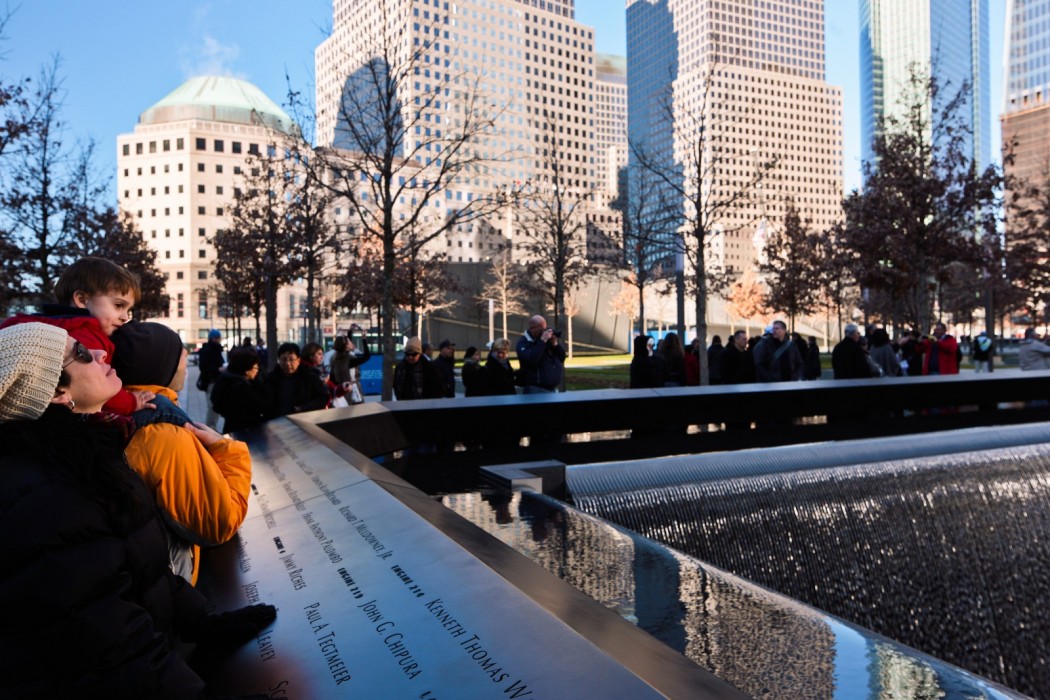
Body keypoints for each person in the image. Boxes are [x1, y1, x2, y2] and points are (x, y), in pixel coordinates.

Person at [0, 322, 275, 697]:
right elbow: (109, 646)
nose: (100, 353)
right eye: (80, 353)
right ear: (57, 393)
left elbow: (143, 565)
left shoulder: (88, 450)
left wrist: (202, 624)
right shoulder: (46, 497)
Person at [111, 321, 253, 586]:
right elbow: (219, 523)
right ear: (161, 366)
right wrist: (228, 451)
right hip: (167, 588)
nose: (186, 366)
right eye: (182, 357)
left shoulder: (121, 410)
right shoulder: (163, 434)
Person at [0, 256, 154, 416]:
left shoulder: (45, 326)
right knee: (161, 407)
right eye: (118, 305)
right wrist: (132, 402)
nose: (125, 316)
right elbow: (95, 388)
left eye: (128, 310)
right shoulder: (84, 334)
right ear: (82, 300)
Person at [211, 346, 271, 433]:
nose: (257, 370)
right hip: (245, 431)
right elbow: (262, 406)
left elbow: (216, 404)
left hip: (230, 427)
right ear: (247, 369)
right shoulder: (241, 387)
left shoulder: (227, 378)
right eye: (255, 367)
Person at [265, 342, 330, 418]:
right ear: (279, 360)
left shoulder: (310, 377)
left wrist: (303, 408)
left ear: (298, 360)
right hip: (276, 421)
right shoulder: (271, 379)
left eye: (291, 359)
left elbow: (323, 398)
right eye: (284, 359)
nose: (287, 363)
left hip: (304, 419)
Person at [515, 315, 566, 393]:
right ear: (533, 328)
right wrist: (542, 341)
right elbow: (532, 360)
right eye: (541, 329)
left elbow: (562, 358)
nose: (543, 332)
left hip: (552, 388)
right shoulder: (524, 342)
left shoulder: (545, 341)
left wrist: (555, 344)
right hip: (535, 388)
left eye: (544, 329)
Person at [393, 336, 444, 400]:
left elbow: (438, 388)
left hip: (425, 404)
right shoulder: (400, 368)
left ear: (419, 354)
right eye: (407, 354)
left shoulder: (430, 368)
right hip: (405, 403)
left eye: (414, 354)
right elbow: (396, 386)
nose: (410, 357)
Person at [328, 331, 372, 405]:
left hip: (339, 391)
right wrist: (364, 339)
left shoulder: (334, 358)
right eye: (350, 342)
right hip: (351, 392)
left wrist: (350, 332)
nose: (352, 343)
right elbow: (367, 356)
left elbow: (332, 377)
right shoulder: (349, 359)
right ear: (346, 346)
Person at [197, 329, 225, 427]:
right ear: (213, 338)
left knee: (216, 405)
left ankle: (212, 427)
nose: (219, 339)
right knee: (213, 406)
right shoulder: (207, 350)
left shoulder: (217, 349)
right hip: (211, 381)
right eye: (218, 338)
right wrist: (218, 369)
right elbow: (203, 368)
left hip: (217, 381)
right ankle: (210, 427)